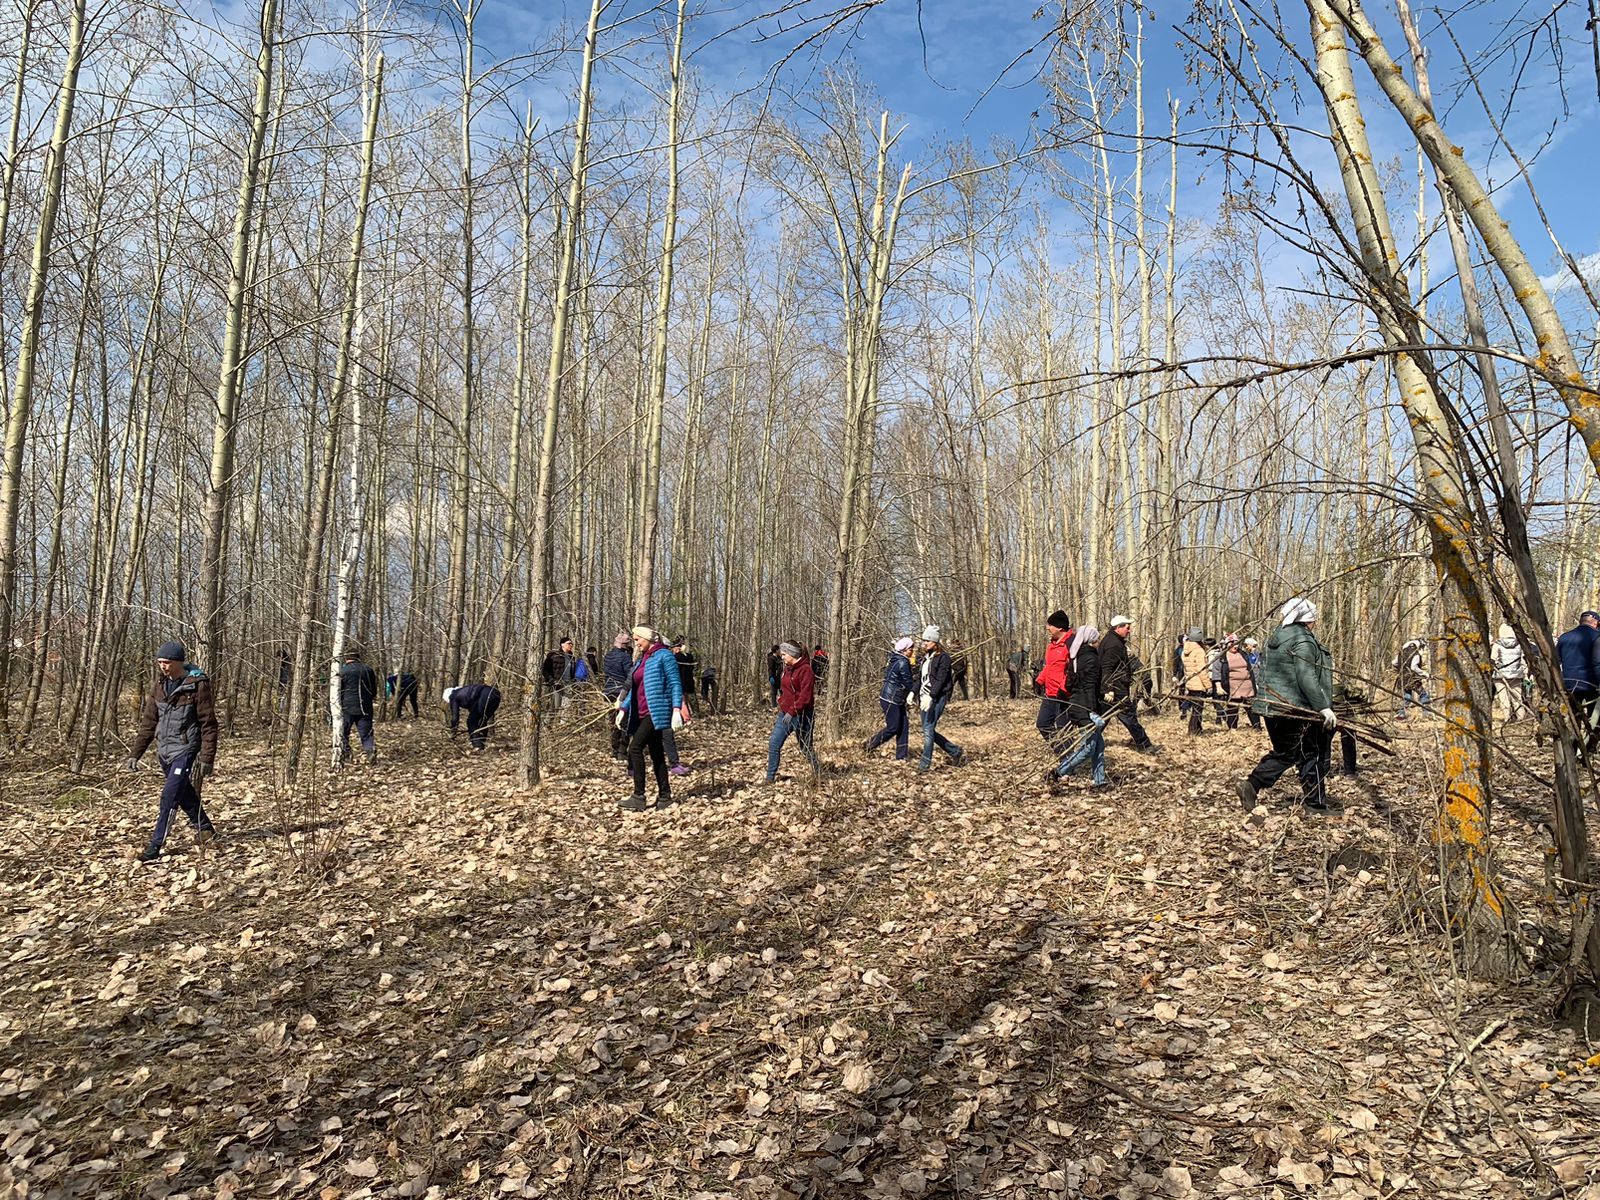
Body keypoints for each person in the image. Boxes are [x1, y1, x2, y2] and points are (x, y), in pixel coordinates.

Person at [1236, 597, 1335, 815]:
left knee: (1286, 753)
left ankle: (1251, 785)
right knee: (1311, 754)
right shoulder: (1303, 640)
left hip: (1272, 707)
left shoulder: (1277, 637)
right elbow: (1306, 675)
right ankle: (1315, 806)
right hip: (1294, 709)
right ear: (1308, 620)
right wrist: (1323, 707)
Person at [125, 639, 219, 863]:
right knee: (184, 792)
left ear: (179, 662)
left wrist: (207, 757)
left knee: (169, 796)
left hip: (185, 749)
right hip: (164, 751)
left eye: (167, 662)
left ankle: (155, 845)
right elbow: (149, 722)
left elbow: (209, 724)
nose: (163, 666)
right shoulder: (159, 686)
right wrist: (135, 754)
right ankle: (205, 829)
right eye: (160, 662)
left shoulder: (197, 685)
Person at [616, 626, 684, 810]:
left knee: (634, 749)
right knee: (656, 753)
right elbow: (636, 687)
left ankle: (638, 796)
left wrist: (677, 709)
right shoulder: (643, 658)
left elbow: (675, 683)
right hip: (641, 712)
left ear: (648, 639)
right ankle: (665, 796)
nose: (636, 643)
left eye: (638, 640)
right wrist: (623, 707)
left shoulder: (665, 655)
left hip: (657, 712)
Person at [1051, 625, 1109, 787]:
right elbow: (1093, 686)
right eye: (1096, 639)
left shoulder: (1075, 657)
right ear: (1091, 641)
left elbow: (1069, 685)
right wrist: (1098, 703)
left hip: (1076, 705)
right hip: (1086, 708)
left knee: (1098, 744)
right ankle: (1060, 770)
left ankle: (1099, 780)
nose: (1098, 642)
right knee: (1089, 747)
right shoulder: (1092, 659)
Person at [1099, 616, 1156, 752]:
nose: (1129, 631)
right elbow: (1107, 667)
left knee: (1102, 719)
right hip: (1116, 690)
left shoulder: (1114, 641)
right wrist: (1109, 689)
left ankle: (1088, 743)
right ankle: (1145, 745)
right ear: (1118, 628)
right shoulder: (1113, 645)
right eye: (1127, 628)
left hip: (1115, 688)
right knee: (1129, 717)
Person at [766, 642, 819, 782]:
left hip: (802, 715)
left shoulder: (806, 670)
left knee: (806, 747)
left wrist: (793, 710)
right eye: (781, 654)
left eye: (784, 654)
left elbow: (805, 696)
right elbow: (786, 688)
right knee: (774, 743)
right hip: (785, 714)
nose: (782, 657)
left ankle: (819, 772)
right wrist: (782, 700)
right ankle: (769, 778)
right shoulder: (787, 669)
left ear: (793, 653)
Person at [916, 625, 965, 772]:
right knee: (927, 730)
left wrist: (931, 696)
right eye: (923, 641)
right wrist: (912, 692)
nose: (924, 643)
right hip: (924, 697)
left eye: (927, 641)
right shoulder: (925, 658)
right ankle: (955, 751)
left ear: (934, 642)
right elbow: (921, 678)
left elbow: (941, 679)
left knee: (928, 728)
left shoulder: (944, 658)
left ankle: (924, 766)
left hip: (937, 696)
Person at [864, 636, 915, 760]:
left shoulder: (895, 659)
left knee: (904, 725)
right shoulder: (903, 662)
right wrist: (914, 690)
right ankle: (869, 745)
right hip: (891, 698)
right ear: (904, 650)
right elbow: (908, 682)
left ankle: (901, 756)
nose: (912, 651)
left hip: (894, 697)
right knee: (893, 727)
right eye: (910, 649)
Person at [1556, 610, 1600, 746]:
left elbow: (1557, 660)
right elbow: (1597, 662)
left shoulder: (1564, 637)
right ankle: (1588, 749)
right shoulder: (1597, 637)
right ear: (1596, 622)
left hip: (1568, 684)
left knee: (1574, 718)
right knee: (1595, 719)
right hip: (1591, 684)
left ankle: (1573, 747)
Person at [1035, 611, 1075, 750]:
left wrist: (1064, 689)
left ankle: (1068, 762)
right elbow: (1049, 667)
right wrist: (1039, 681)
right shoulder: (1051, 645)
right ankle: (1061, 752)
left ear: (1060, 627)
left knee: (1064, 730)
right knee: (1043, 723)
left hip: (1064, 696)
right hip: (1049, 694)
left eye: (1050, 625)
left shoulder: (1071, 644)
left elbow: (1072, 672)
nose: (1047, 628)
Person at [336, 646, 379, 764]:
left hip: (346, 707)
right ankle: (370, 752)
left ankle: (346, 753)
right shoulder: (368, 670)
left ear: (346, 658)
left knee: (343, 732)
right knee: (366, 733)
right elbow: (373, 690)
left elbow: (338, 691)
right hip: (365, 706)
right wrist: (369, 698)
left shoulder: (342, 672)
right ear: (358, 657)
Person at [663, 638, 695, 777]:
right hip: (677, 688)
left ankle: (674, 764)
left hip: (680, 687)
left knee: (667, 734)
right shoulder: (673, 657)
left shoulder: (677, 657)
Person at [601, 632, 634, 760]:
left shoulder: (607, 655)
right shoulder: (625, 658)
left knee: (614, 720)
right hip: (621, 692)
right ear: (625, 645)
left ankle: (614, 749)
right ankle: (621, 751)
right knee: (624, 722)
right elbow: (630, 676)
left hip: (608, 691)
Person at [1217, 634, 1259, 730]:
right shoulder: (1222, 657)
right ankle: (1233, 728)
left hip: (1248, 687)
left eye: (1236, 644)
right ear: (1227, 644)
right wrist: (1218, 685)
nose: (1235, 646)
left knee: (1251, 708)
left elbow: (1252, 668)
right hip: (1233, 687)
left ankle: (1257, 727)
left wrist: (1255, 683)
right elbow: (1216, 671)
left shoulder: (1243, 654)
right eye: (1232, 644)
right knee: (1232, 708)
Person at [444, 682, 501, 750]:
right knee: (482, 719)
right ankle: (482, 743)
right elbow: (473, 709)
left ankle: (477, 745)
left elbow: (455, 717)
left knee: (471, 722)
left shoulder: (453, 696)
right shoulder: (465, 692)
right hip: (495, 694)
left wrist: (453, 731)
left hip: (484, 695)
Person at [1490, 624, 1530, 723]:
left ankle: (1507, 718)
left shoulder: (1497, 645)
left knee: (1503, 697)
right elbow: (1523, 661)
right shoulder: (1520, 644)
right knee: (1517, 697)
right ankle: (1521, 717)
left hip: (1500, 675)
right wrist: (1525, 674)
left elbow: (1493, 659)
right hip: (1516, 674)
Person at [1180, 629, 1211, 735]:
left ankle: (1198, 729)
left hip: (1190, 682)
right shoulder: (1199, 651)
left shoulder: (1185, 650)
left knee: (1196, 708)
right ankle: (1192, 730)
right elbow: (1202, 670)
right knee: (1197, 710)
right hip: (1198, 684)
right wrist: (1208, 685)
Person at [1394, 637, 1432, 718]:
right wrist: (1425, 674)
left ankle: (1401, 714)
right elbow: (1413, 667)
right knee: (1423, 695)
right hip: (1412, 680)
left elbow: (1394, 663)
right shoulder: (1416, 654)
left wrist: (1400, 669)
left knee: (1408, 696)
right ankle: (1427, 714)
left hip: (1402, 679)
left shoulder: (1401, 653)